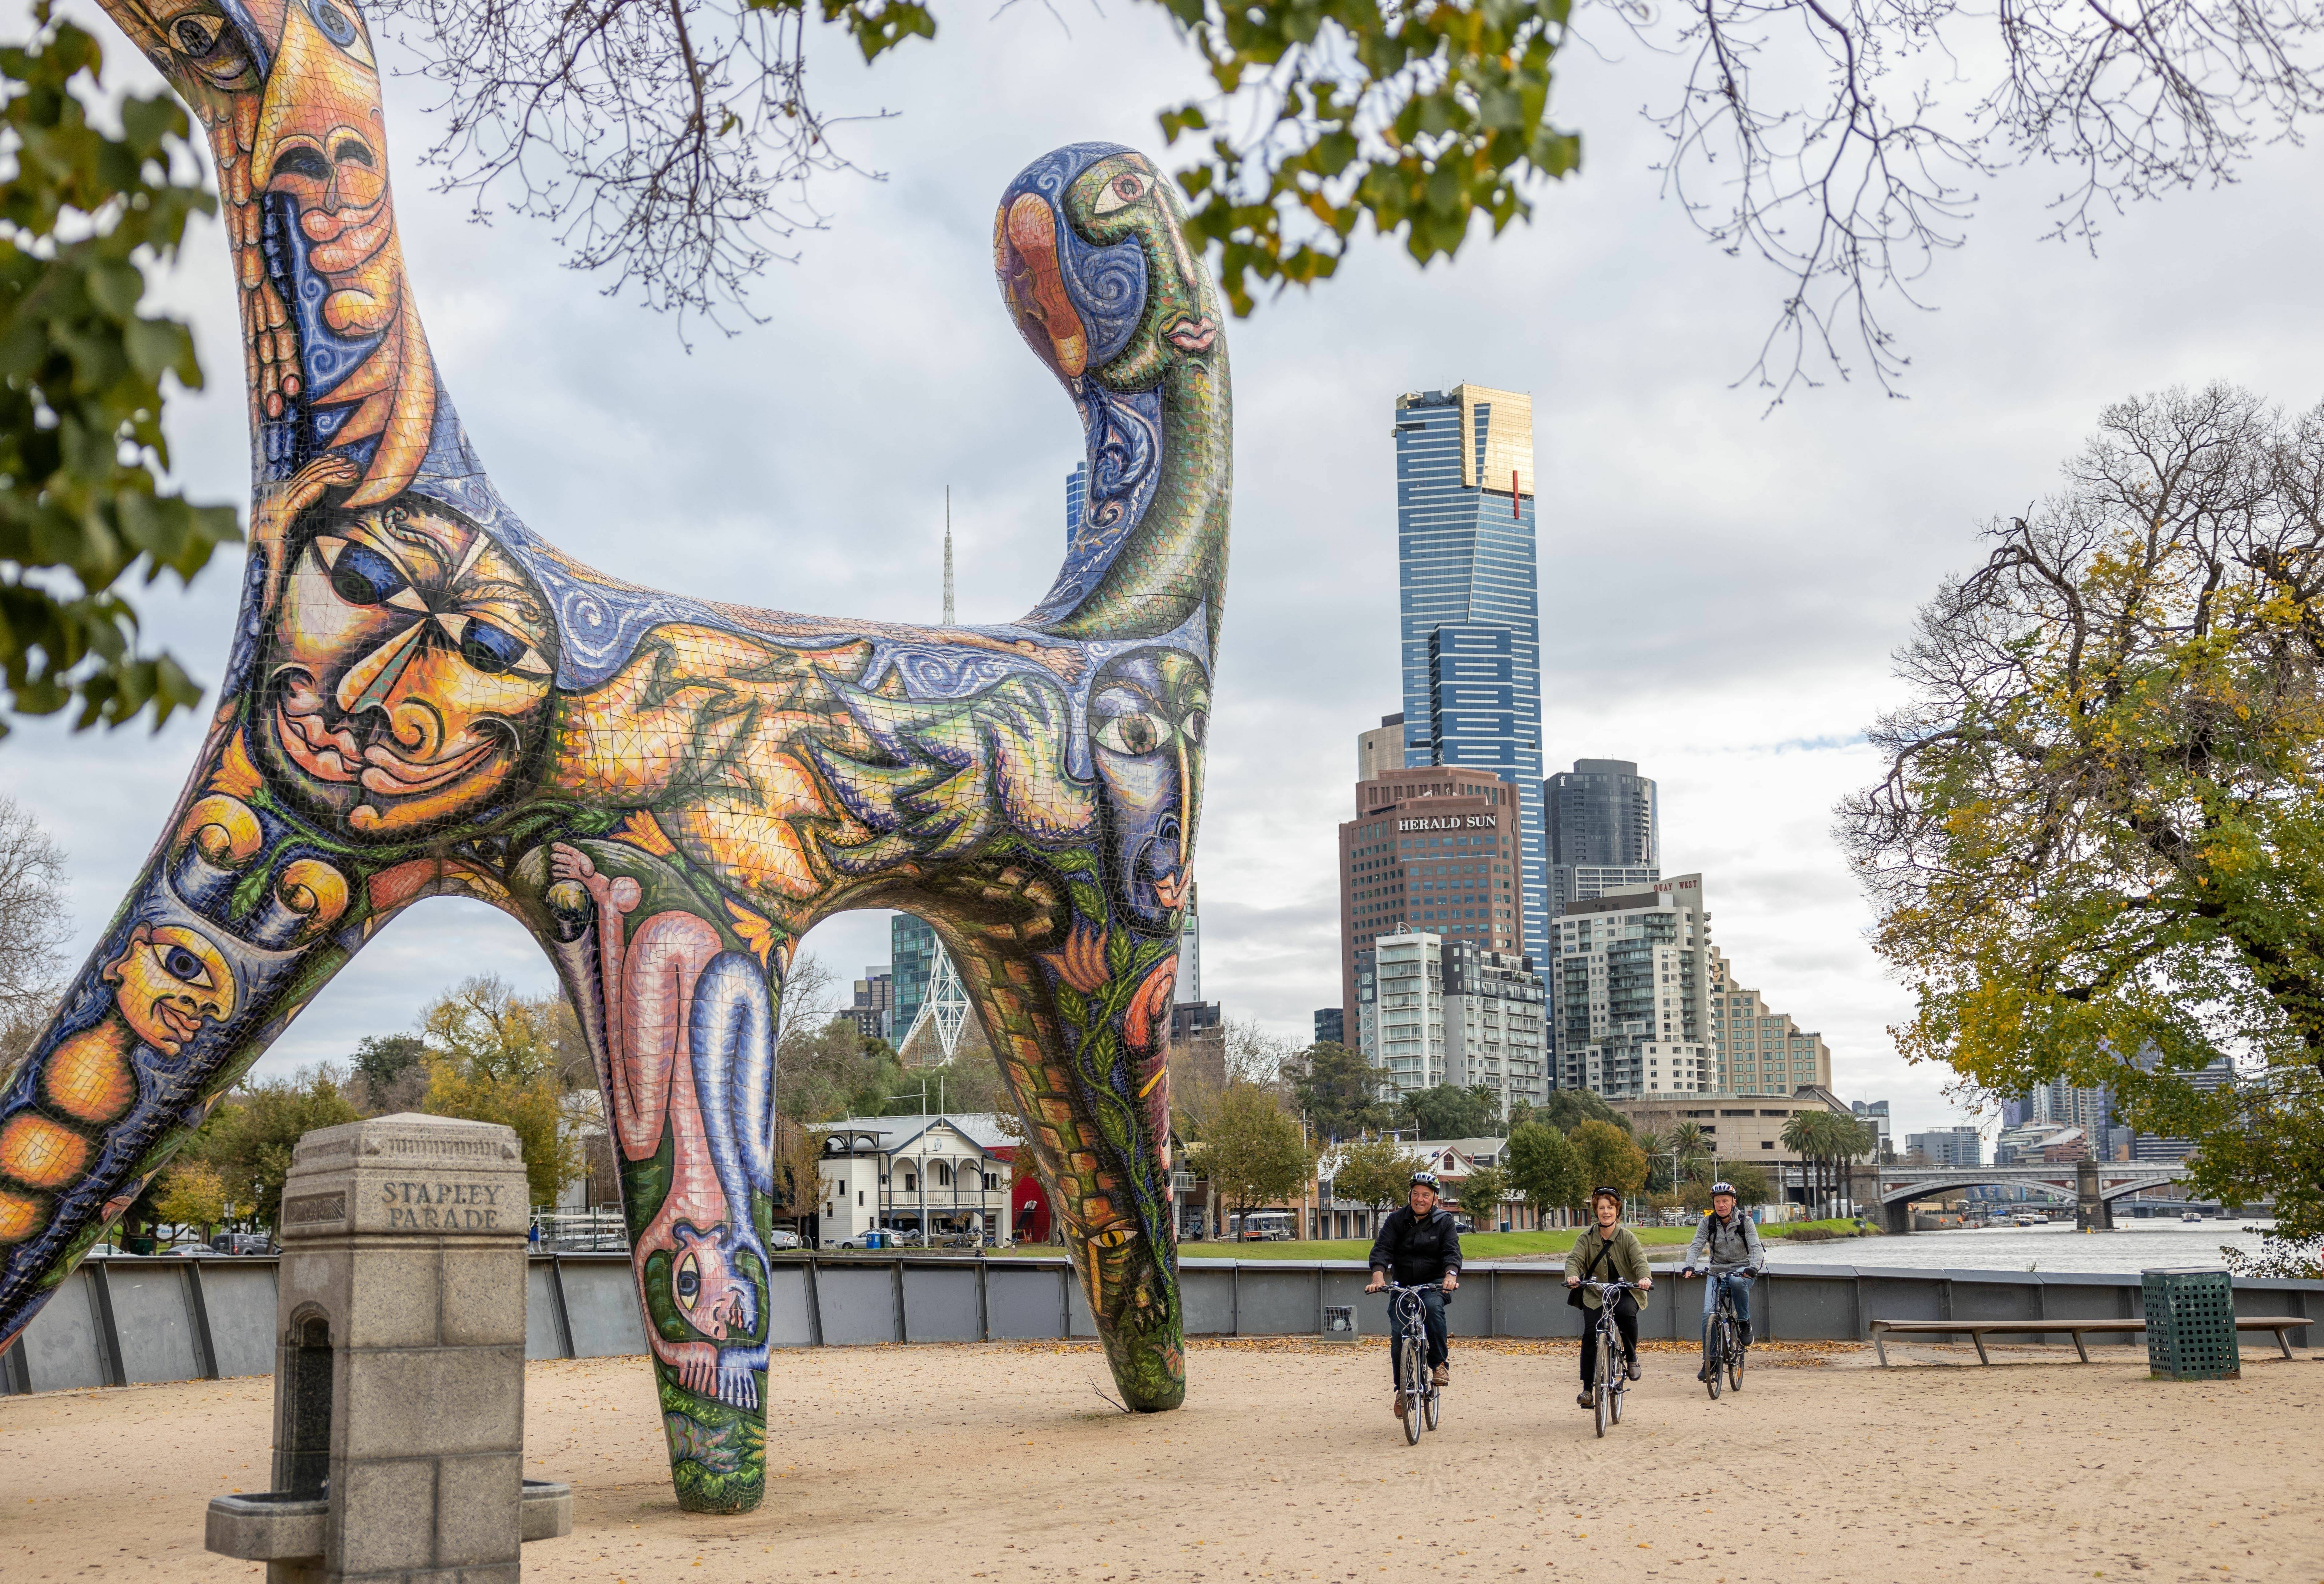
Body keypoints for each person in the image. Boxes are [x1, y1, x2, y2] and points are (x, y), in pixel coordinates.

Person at [1365, 1170, 1463, 1415]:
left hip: (1433, 1283)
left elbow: (1452, 1252)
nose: (1420, 1199)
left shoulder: (1444, 1221)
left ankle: (1439, 1364)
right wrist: (1378, 1276)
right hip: (1403, 1286)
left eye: (1426, 1195)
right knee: (1399, 1335)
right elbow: (1382, 1250)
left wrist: (1451, 1276)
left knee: (1432, 1309)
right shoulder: (1396, 1220)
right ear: (1410, 1195)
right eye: (1416, 1194)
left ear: (1435, 1199)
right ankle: (1403, 1390)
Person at [1564, 1186, 1652, 1409]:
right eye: (1601, 1208)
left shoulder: (1627, 1237)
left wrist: (1644, 1278)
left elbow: (1640, 1261)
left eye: (1610, 1208)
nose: (1606, 1212)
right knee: (1590, 1334)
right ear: (1596, 1211)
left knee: (1626, 1314)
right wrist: (1572, 1275)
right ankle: (1586, 1389)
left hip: (1624, 1292)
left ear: (1617, 1210)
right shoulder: (1586, 1238)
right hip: (1595, 1293)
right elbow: (1574, 1259)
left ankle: (1631, 1358)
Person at [1681, 1181, 1765, 1380]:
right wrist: (1689, 1265)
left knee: (1737, 1284)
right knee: (1707, 1313)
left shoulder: (1745, 1222)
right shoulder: (1707, 1223)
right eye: (1717, 1201)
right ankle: (1710, 1361)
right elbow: (1696, 1246)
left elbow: (1756, 1248)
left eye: (1725, 1201)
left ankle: (1744, 1323)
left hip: (1742, 1271)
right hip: (1717, 1272)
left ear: (1733, 1202)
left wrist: (1753, 1268)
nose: (1721, 1205)